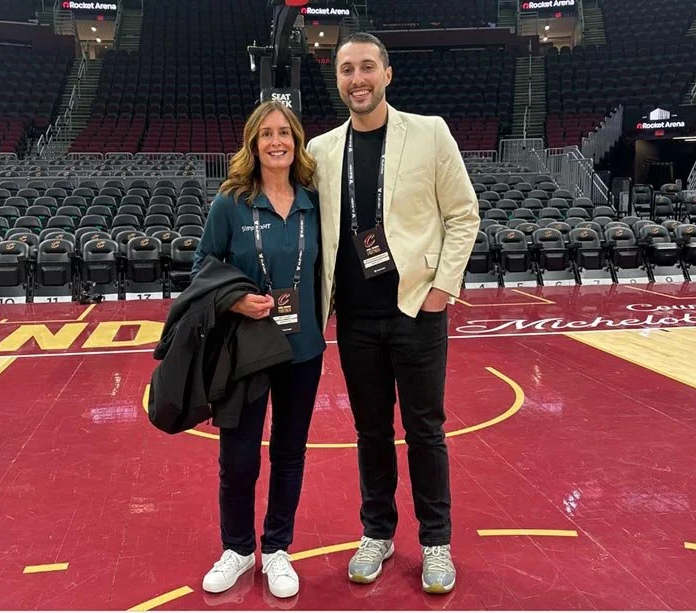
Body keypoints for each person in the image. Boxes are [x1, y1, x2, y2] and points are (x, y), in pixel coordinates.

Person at [307, 32, 480, 594]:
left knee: (425, 430)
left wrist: (441, 291)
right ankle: (377, 533)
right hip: (355, 317)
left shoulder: (430, 133)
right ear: (337, 80)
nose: (356, 79)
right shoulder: (322, 150)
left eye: (366, 67)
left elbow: (463, 215)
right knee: (370, 431)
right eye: (345, 70)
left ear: (387, 73)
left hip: (415, 310)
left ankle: (436, 544)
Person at [191, 100, 325, 599]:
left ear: (296, 141)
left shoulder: (315, 200)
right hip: (245, 349)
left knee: (290, 453)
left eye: (284, 133)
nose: (276, 142)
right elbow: (202, 267)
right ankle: (238, 548)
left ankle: (277, 549)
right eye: (266, 134)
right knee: (239, 455)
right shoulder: (231, 202)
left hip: (303, 350)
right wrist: (235, 300)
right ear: (252, 143)